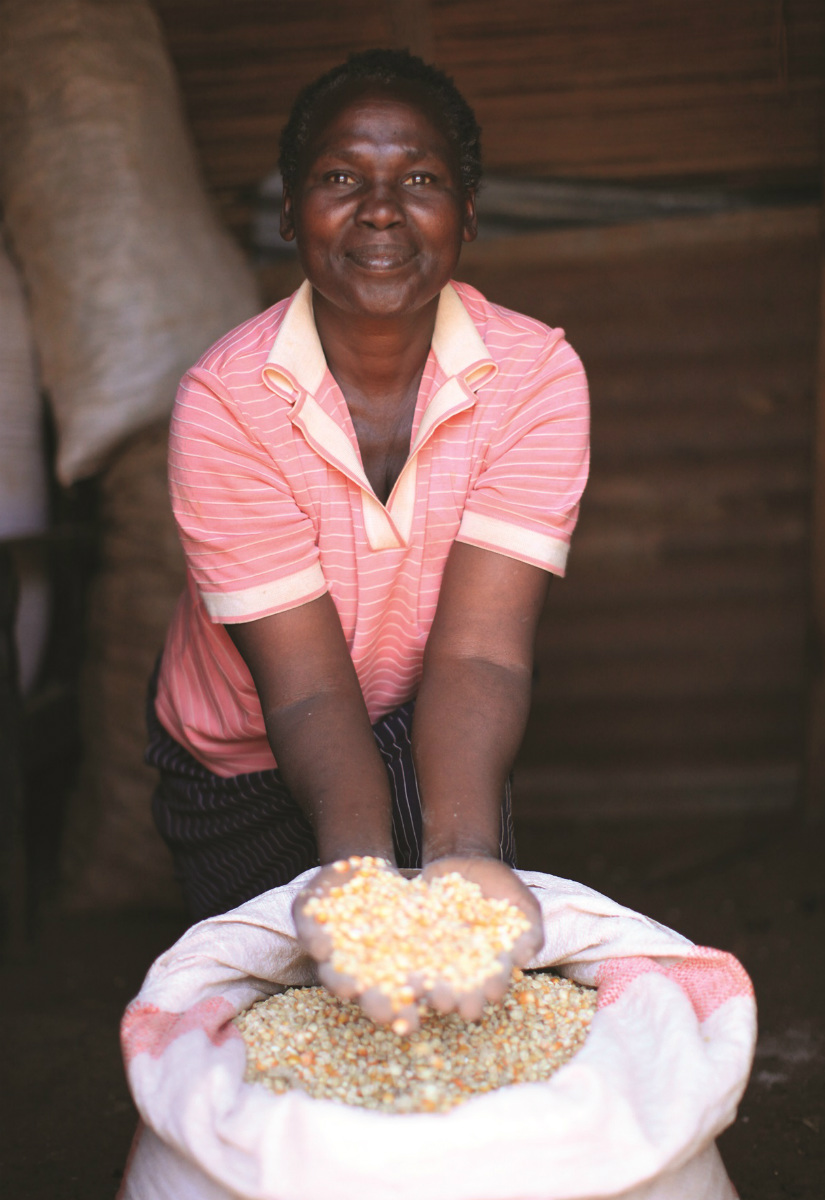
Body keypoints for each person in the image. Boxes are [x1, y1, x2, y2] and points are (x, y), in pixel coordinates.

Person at [146, 48, 589, 1021]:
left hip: (433, 716)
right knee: (279, 1020)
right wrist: (355, 876)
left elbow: (476, 651)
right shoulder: (226, 402)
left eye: (419, 179)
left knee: (455, 996)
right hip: (243, 753)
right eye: (341, 177)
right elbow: (303, 689)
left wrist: (463, 856)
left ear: (466, 215)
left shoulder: (533, 379)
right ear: (288, 213)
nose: (380, 210)